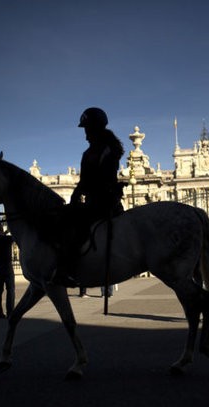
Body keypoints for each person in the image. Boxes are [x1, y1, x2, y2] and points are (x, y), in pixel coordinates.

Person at [51, 107, 125, 287]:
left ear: (95, 128)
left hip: (101, 202)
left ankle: (66, 269)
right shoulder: (108, 149)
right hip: (107, 200)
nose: (85, 134)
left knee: (68, 225)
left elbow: (88, 181)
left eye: (87, 129)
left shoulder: (97, 152)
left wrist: (75, 199)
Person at [0, 222, 15, 319]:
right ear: (1, 228)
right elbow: (15, 236)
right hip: (7, 267)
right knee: (10, 290)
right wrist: (11, 229)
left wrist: (5, 232)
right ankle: (10, 311)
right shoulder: (7, 239)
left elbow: (1, 236)